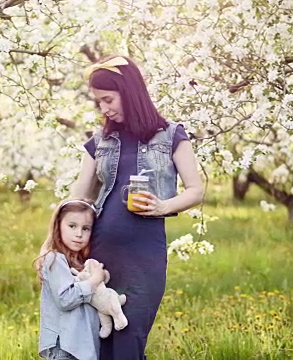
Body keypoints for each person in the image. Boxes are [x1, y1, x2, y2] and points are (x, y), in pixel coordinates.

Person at [71, 56, 204, 359]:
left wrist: (163, 206)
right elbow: (78, 198)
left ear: (128, 91)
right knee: (101, 342)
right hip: (100, 256)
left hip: (145, 256)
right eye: (98, 102)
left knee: (130, 338)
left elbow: (196, 190)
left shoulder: (172, 135)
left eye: (108, 99)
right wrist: (53, 242)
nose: (104, 108)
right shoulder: (99, 142)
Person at [36, 199, 106, 360]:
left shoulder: (80, 261)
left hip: (79, 344)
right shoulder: (55, 258)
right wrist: (93, 282)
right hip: (65, 347)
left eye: (86, 228)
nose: (79, 234)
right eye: (72, 226)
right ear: (58, 225)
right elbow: (65, 299)